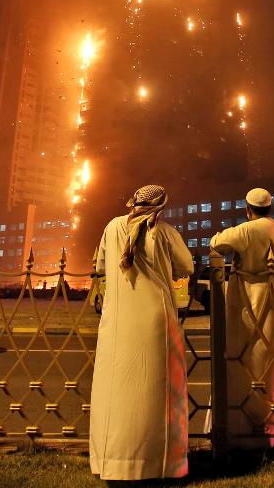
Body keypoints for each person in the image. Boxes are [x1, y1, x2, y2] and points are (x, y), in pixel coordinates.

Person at [90, 184, 194, 481]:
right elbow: (186, 266)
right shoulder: (164, 232)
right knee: (159, 394)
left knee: (114, 393)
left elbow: (100, 265)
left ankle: (112, 462)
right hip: (156, 323)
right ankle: (161, 465)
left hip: (117, 323)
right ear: (161, 206)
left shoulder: (112, 227)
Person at [209, 187, 274, 451]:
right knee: (269, 373)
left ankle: (242, 434)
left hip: (249, 313)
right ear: (270, 208)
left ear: (248, 210)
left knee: (242, 370)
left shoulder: (248, 230)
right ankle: (269, 433)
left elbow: (216, 243)